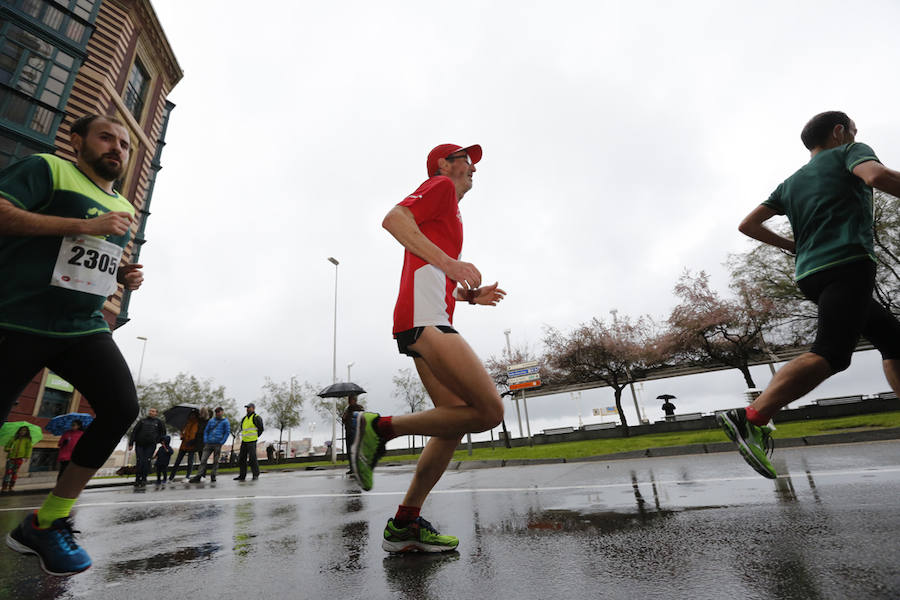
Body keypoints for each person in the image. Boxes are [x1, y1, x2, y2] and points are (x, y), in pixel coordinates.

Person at [720, 111, 900, 479]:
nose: (853, 136)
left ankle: (754, 415)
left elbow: (748, 225)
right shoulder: (848, 152)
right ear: (839, 132)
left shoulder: (790, 183)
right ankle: (751, 416)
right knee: (832, 353)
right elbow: (877, 176)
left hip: (810, 274)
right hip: (847, 263)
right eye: (851, 131)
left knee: (893, 339)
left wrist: (793, 246)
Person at [1, 114, 143, 576]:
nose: (117, 148)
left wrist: (122, 275)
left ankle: (49, 520)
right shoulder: (47, 168)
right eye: (107, 137)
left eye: (124, 143)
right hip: (18, 315)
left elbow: (86, 253)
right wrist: (85, 225)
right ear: (76, 139)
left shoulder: (121, 203)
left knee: (121, 407)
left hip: (81, 325)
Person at [351, 143, 506, 553]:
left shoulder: (450, 213)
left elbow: (430, 273)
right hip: (425, 320)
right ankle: (379, 427)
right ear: (444, 164)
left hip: (425, 316)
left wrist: (469, 297)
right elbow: (393, 219)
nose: (473, 169)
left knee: (453, 423)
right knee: (490, 410)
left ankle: (405, 524)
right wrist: (454, 264)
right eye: (466, 161)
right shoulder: (438, 186)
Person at [189, 407, 230, 483]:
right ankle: (199, 475)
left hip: (217, 443)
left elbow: (227, 432)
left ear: (222, 412)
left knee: (216, 461)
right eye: (216, 412)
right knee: (203, 460)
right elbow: (206, 430)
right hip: (209, 443)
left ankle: (213, 475)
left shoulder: (225, 422)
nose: (218, 413)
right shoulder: (211, 421)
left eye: (219, 411)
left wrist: (222, 441)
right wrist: (206, 439)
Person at [127, 407, 165, 488]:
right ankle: (137, 480)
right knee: (139, 461)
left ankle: (144, 479)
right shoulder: (142, 421)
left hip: (151, 445)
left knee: (146, 462)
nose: (151, 412)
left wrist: (158, 441)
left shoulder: (159, 422)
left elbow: (163, 433)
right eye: (150, 411)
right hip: (140, 445)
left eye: (153, 411)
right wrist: (131, 444)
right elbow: (134, 432)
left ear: (156, 413)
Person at [168, 408, 201, 481]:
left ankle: (187, 476)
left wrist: (193, 440)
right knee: (177, 461)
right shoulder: (187, 423)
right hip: (184, 444)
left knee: (190, 462)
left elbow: (196, 435)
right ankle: (171, 477)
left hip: (192, 445)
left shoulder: (197, 424)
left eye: (194, 414)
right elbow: (184, 432)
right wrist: (182, 435)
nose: (192, 416)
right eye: (191, 414)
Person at [234, 403, 264, 481]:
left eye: (249, 408)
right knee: (242, 459)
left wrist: (256, 437)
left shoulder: (256, 417)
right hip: (244, 441)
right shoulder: (244, 418)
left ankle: (255, 474)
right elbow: (242, 428)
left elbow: (261, 428)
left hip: (252, 441)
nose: (247, 409)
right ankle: (242, 475)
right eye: (246, 408)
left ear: (253, 408)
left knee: (252, 458)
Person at [2, 426, 33, 493]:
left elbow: (28, 449)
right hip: (11, 458)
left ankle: (11, 487)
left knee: (15, 473)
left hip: (19, 458)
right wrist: (8, 449)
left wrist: (27, 456)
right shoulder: (13, 438)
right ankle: (4, 487)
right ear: (19, 431)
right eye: (21, 430)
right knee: (8, 472)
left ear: (27, 432)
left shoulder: (27, 440)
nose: (22, 432)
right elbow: (6, 447)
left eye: (24, 430)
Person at [341, 394, 365, 472]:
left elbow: (363, 419)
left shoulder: (359, 408)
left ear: (354, 400)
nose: (349, 401)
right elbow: (344, 420)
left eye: (350, 399)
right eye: (348, 400)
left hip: (356, 432)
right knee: (349, 451)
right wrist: (344, 418)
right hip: (348, 432)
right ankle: (352, 468)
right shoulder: (347, 409)